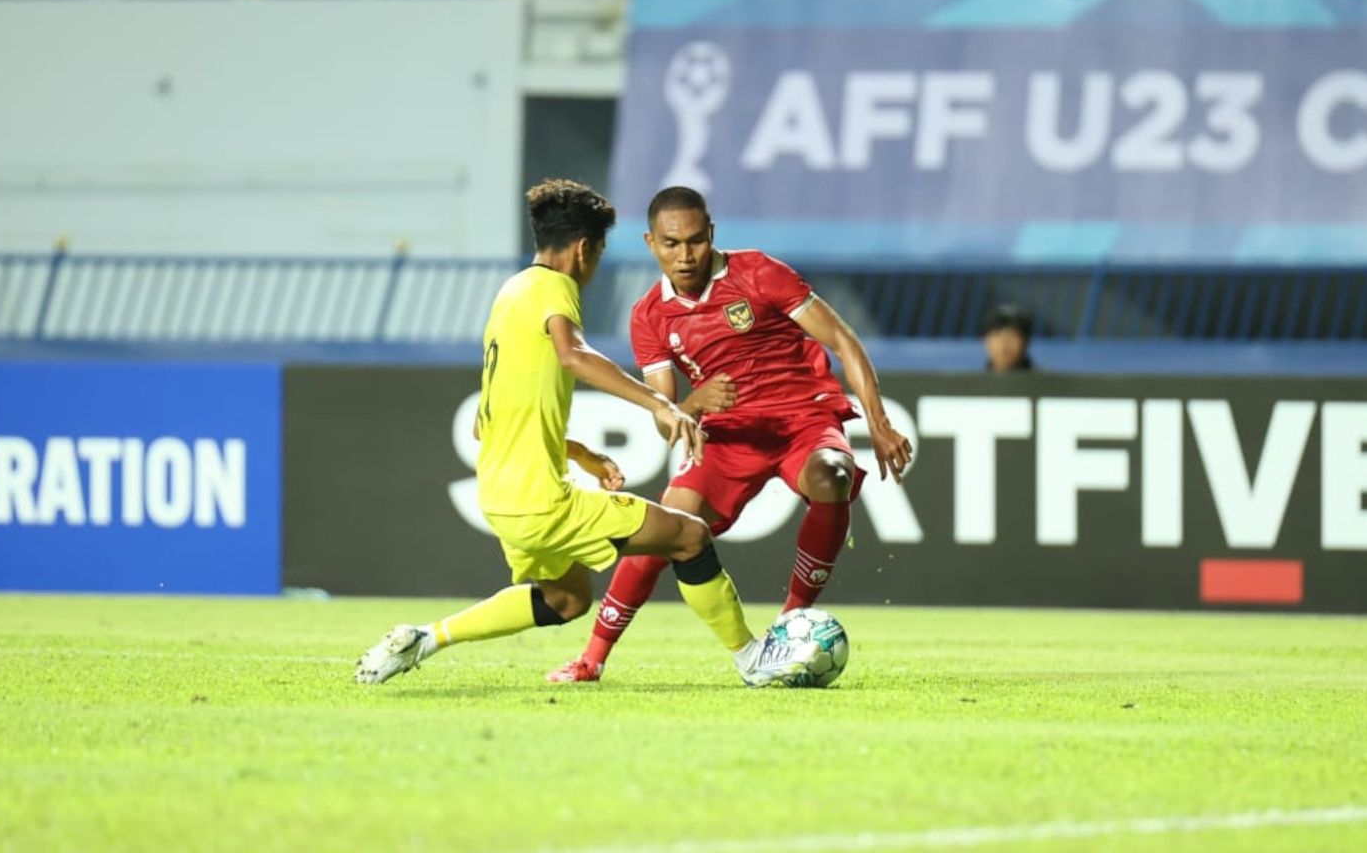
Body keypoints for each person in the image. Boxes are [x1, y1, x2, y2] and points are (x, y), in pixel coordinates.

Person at [356, 180, 822, 689]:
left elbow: (484, 421)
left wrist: (580, 453)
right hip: (540, 501)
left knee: (566, 599)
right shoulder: (555, 288)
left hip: (500, 495)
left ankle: (424, 638)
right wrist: (660, 403)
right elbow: (573, 354)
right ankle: (753, 658)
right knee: (689, 536)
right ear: (584, 249)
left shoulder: (510, 293)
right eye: (598, 254)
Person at [546, 186, 914, 684]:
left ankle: (790, 621)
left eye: (696, 241)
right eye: (672, 244)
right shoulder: (649, 315)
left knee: (832, 475)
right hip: (728, 435)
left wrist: (879, 423)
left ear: (711, 234)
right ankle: (592, 657)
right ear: (651, 243)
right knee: (664, 528)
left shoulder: (759, 272)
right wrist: (694, 404)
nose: (685, 255)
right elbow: (665, 415)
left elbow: (842, 339)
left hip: (803, 418)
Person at [982, 304, 1036, 374]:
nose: (1004, 344)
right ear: (985, 340)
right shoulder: (974, 380)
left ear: (1026, 341)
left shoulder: (1044, 380)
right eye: (997, 335)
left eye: (1012, 336)